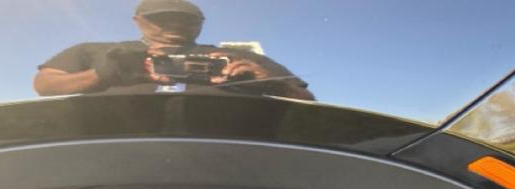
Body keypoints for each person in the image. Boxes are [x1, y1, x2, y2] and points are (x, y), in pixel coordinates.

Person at [33, 0, 314, 100]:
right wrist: (104, 73)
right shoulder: (101, 51)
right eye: (163, 18)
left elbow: (306, 100)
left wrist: (269, 82)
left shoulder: (240, 56)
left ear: (201, 24)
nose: (175, 25)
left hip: (229, 149)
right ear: (138, 21)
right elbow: (45, 85)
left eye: (186, 20)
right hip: (108, 142)